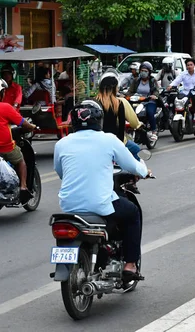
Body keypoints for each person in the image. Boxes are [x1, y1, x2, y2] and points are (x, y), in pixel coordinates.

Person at [54, 100, 149, 278]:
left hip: (69, 206)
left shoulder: (62, 144)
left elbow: (60, 173)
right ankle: (130, 265)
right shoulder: (108, 140)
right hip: (99, 204)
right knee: (132, 213)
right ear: (99, 120)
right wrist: (145, 171)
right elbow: (133, 165)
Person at [96, 74, 143, 160]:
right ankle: (138, 173)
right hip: (115, 142)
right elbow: (122, 127)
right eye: (117, 87)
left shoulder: (95, 103)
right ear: (114, 89)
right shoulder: (119, 103)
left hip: (98, 143)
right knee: (136, 150)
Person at [127, 61, 160, 140]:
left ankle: (154, 131)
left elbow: (156, 90)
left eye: (145, 71)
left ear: (149, 72)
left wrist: (154, 96)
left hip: (149, 101)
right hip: (137, 101)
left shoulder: (152, 81)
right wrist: (126, 95)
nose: (143, 72)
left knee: (150, 112)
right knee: (128, 111)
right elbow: (130, 91)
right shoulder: (136, 80)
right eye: (142, 70)